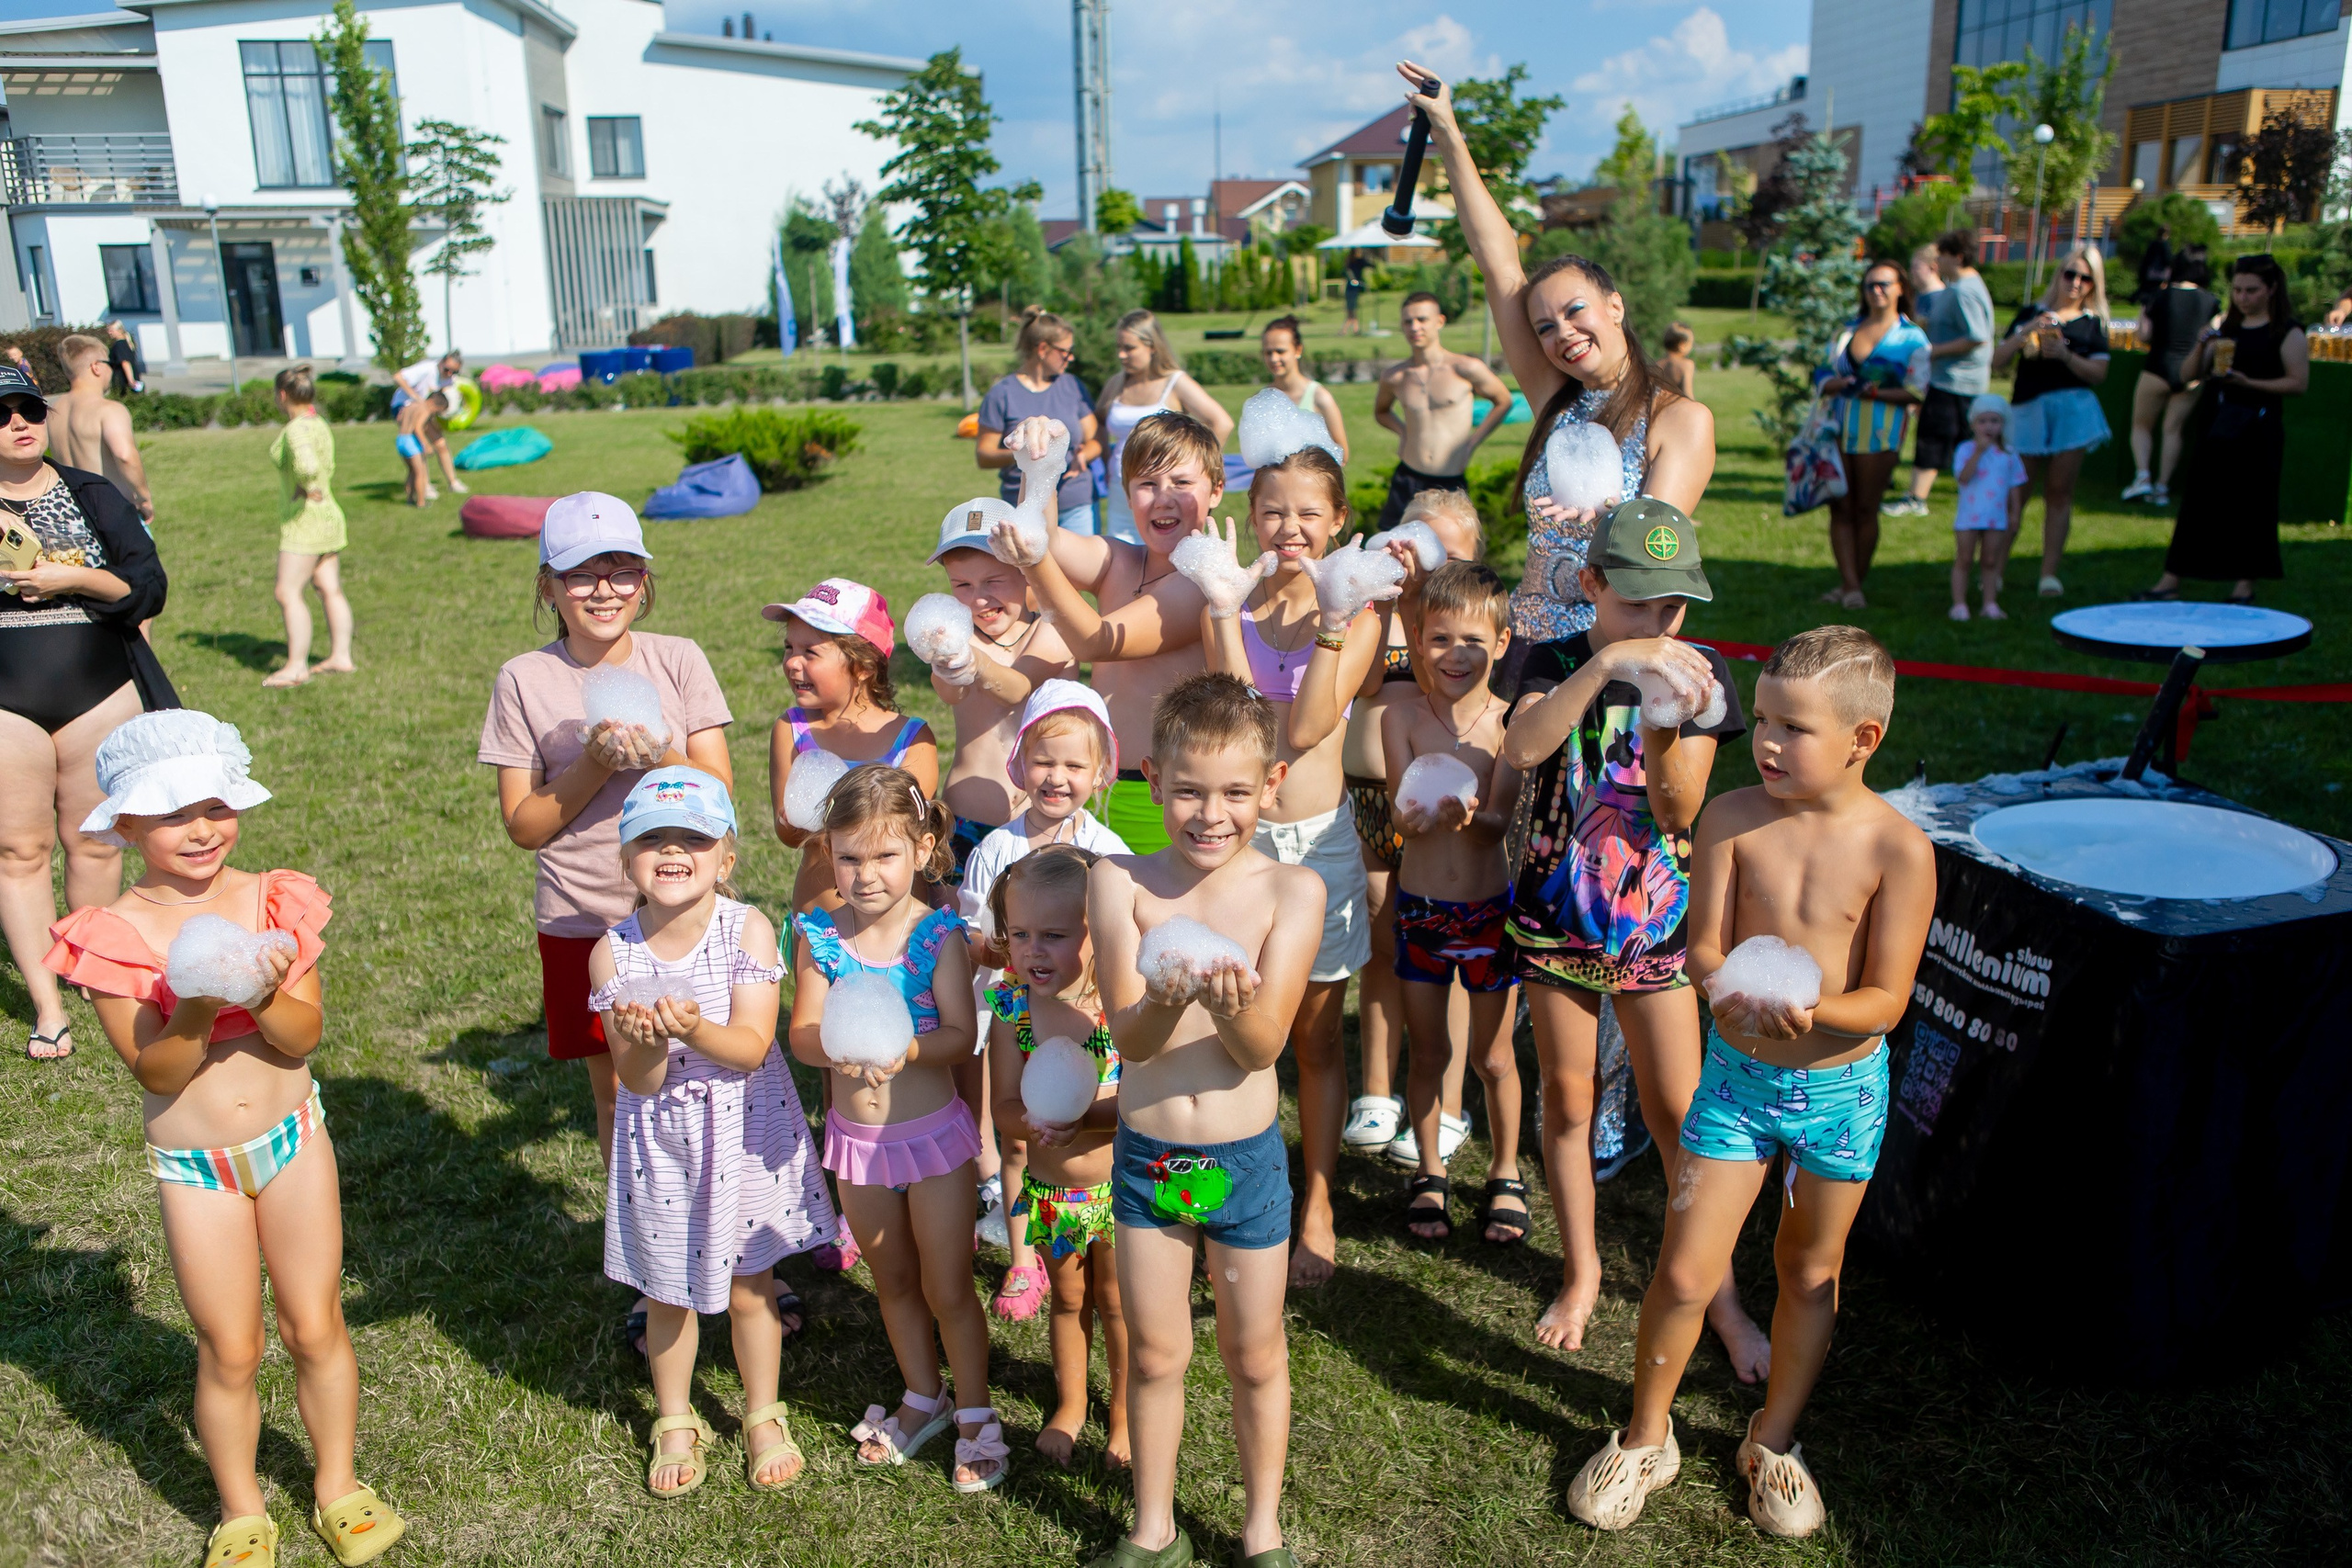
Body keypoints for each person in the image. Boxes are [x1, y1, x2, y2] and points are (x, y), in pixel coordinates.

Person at [1564, 626, 1933, 1540]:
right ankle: (1646, 1436)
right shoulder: (1729, 817)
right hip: (1735, 1084)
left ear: (1863, 739)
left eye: (1793, 728)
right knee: (1686, 1269)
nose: (1766, 742)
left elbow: (1887, 1001)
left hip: (1842, 1097)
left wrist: (1809, 1010)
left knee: (1808, 1272)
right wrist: (1728, 987)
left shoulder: (1899, 850)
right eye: (1762, 720)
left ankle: (1773, 1442)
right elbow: (1701, 949)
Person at [44, 709, 409, 1566]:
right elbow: (157, 1071)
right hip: (196, 1167)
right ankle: (242, 1508)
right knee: (231, 1347)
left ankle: (337, 1484)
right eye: (174, 813)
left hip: (293, 1141)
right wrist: (200, 1004)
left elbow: (304, 1035)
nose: (202, 828)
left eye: (216, 805)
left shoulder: (271, 897)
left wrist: (262, 988)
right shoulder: (113, 933)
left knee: (315, 1324)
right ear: (125, 825)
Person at [1498, 500, 1769, 1373]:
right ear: (1590, 583)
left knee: (1682, 1114)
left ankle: (1718, 1296)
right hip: (1558, 916)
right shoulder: (1552, 657)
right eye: (1635, 604)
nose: (1656, 624)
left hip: (1655, 927)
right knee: (1568, 1099)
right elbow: (1525, 747)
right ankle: (1581, 1271)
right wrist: (1608, 663)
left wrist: (1660, 709)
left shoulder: (1703, 672)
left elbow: (1678, 808)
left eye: (1672, 607)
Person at [1086, 672, 1323, 1568]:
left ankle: (1262, 1532)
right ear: (1152, 779)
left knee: (1253, 1353)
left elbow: (1262, 1047)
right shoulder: (1117, 881)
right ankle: (1155, 1529)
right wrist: (1165, 993)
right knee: (1155, 1353)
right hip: (1151, 1162)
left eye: (1234, 792)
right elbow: (1131, 1039)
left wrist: (1228, 1008)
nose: (1210, 814)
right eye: (1188, 790)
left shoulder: (1292, 890)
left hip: (1242, 1162)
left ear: (1272, 783)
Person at [1402, 62, 1715, 700]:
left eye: (1576, 312)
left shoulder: (1680, 419)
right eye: (1544, 327)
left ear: (1615, 306)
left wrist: (1608, 519)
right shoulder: (1557, 399)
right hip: (1527, 648)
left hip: (1615, 657)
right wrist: (1449, 131)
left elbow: (1657, 557)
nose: (1562, 333)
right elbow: (1498, 263)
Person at [589, 768, 832, 1497]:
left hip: (742, 1130)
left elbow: (753, 1047)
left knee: (752, 1281)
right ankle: (674, 1418)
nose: (672, 850)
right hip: (663, 1143)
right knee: (667, 1290)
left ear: (725, 857)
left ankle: (762, 1412)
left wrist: (693, 1027)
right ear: (626, 859)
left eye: (692, 838)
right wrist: (649, 1044)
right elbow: (636, 1080)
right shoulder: (613, 952)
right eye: (652, 838)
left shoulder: (745, 928)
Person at [478, 493, 734, 1172]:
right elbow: (523, 824)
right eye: (581, 575)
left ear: (643, 582)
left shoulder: (679, 659)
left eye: (622, 571)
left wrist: (658, 754)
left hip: (684, 910)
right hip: (582, 916)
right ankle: (639, 1226)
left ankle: (720, 1220)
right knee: (620, 1092)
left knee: (706, 1078)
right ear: (549, 587)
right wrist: (593, 762)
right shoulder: (523, 679)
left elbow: (719, 792)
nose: (603, 590)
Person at [1198, 431, 1394, 1289]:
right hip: (1233, 844)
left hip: (1316, 845)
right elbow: (1233, 719)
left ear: (1339, 520)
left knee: (1313, 1038)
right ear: (1251, 516)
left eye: (1309, 512)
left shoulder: (1359, 611)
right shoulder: (1232, 601)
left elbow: (1308, 726)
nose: (1290, 527)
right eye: (1273, 510)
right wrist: (1220, 608)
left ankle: (1316, 1199)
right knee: (1228, 1029)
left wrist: (1336, 619)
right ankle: (1226, 1188)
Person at [786, 767, 1007, 1494]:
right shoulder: (820, 936)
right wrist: (835, 1046)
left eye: (884, 855)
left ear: (922, 849)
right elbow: (802, 1033)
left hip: (933, 1141)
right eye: (849, 856)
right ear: (828, 853)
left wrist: (907, 1048)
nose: (866, 874)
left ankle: (975, 1411)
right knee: (894, 1279)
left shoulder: (937, 935)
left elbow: (960, 1034)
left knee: (949, 1285)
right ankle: (922, 1394)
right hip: (857, 1145)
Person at [0, 358, 175, 1061]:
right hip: (7, 700)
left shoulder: (91, 492)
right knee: (20, 851)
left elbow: (147, 585)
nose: (18, 423)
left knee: (97, 841)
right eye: (1, 416)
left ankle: (90, 966)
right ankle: (48, 1005)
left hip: (98, 689)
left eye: (28, 409)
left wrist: (71, 578)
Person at [959, 682, 1129, 1320]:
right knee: (1017, 1138)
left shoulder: (1110, 854)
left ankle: (1112, 1230)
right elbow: (972, 932)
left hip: (1087, 1013)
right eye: (1043, 761)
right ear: (1019, 761)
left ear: (1101, 770)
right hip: (1014, 1014)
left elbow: (1124, 932)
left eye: (1074, 764)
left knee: (1089, 1117)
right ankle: (1024, 1258)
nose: (1057, 777)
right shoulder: (996, 848)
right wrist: (1005, 950)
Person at [990, 412, 1221, 855]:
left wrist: (1033, 562)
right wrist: (1040, 466)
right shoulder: (1120, 561)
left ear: (1216, 491)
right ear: (1127, 493)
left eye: (1182, 483)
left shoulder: (1202, 583)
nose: (1163, 498)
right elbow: (1047, 537)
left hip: (1166, 799)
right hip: (1093, 790)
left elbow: (1096, 641)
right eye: (1147, 484)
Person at [1382, 560, 1527, 1246]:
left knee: (1493, 1057)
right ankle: (1430, 1169)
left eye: (1473, 640)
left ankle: (1505, 1170)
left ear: (1502, 641)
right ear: (1417, 639)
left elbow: (1498, 824)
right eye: (1440, 639)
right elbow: (1398, 816)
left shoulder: (1510, 723)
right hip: (1420, 911)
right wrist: (1415, 819)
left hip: (1486, 913)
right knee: (1428, 1051)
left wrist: (1469, 818)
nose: (1455, 654)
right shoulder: (1402, 718)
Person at [1340, 490, 1483, 1164]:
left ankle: (1447, 1102)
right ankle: (1377, 1090)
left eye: (1446, 553)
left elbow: (1438, 683)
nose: (1425, 561)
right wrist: (1392, 601)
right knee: (1380, 946)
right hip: (1370, 802)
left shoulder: (1458, 631)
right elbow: (1367, 683)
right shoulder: (1381, 612)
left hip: (1439, 807)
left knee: (1443, 953)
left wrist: (1423, 604)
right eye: (1418, 542)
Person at [984, 844, 1130, 1469]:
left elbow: (1140, 1106)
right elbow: (1003, 1106)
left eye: (1054, 934)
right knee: (1069, 1300)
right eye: (1020, 934)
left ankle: (1123, 1413)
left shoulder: (1120, 1008)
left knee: (1119, 1304)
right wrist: (1033, 1122)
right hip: (1054, 1196)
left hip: (1121, 1193)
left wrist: (1082, 1121)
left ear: (1096, 931)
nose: (1033, 950)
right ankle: (1071, 1403)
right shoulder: (1013, 1010)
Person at [764, 578, 939, 919]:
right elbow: (788, 834)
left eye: (810, 652)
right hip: (819, 922)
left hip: (896, 926)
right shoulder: (791, 729)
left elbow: (908, 828)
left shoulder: (913, 738)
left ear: (863, 666)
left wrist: (824, 812)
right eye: (789, 648)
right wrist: (793, 818)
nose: (792, 663)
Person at [2144, 253, 2310, 605]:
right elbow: (2188, 374)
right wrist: (2202, 344)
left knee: (2252, 506)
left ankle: (2243, 585)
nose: (2243, 298)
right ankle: (2171, 578)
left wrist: (2251, 383)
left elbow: (2298, 383)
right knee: (2198, 503)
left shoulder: (2287, 331)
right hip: (2218, 424)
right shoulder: (2227, 329)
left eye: (2251, 290)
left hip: (2259, 427)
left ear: (2271, 289)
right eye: (2237, 290)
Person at [923, 522, 1078, 878]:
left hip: (1042, 826)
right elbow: (950, 691)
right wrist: (944, 665)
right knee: (961, 912)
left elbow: (1016, 688)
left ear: (1026, 573)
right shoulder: (959, 639)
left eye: (993, 581)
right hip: (965, 819)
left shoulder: (1051, 630)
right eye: (962, 585)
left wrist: (976, 663)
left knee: (1041, 911)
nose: (979, 599)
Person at [1990, 243, 2111, 599]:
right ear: (2059, 274)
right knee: (2017, 493)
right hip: (2028, 409)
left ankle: (2048, 575)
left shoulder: (2092, 324)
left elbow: (2099, 374)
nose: (2076, 283)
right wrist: (2027, 329)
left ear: (2094, 284)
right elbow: (1997, 360)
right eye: (2070, 274)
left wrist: (2066, 355)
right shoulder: (2032, 313)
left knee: (2059, 492)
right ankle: (1994, 572)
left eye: (2085, 278)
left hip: (2073, 412)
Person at [1815, 261, 1929, 607]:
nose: (1876, 291)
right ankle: (1849, 584)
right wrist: (1837, 384)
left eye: (1884, 284)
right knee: (1840, 506)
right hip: (1837, 429)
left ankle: (1854, 584)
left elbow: (1918, 391)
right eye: (1870, 285)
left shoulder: (1912, 337)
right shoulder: (1847, 331)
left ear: (1900, 289)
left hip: (1881, 434)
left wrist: (1875, 393)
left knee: (1866, 508)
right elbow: (1822, 373)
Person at [1371, 291, 1513, 529]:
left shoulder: (1465, 369)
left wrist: (1472, 443)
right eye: (1408, 321)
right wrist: (1404, 432)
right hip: (1408, 476)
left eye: (1422, 319)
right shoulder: (1395, 376)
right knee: (1389, 544)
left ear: (1439, 321)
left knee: (1450, 549)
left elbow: (1503, 400)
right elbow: (1381, 412)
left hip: (1449, 481)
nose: (1414, 327)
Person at [1095, 309, 1233, 544]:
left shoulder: (1174, 382)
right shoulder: (1117, 384)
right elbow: (1098, 420)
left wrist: (1202, 465)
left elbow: (1222, 422)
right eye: (1118, 347)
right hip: (1123, 490)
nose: (1121, 355)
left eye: (1129, 348)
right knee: (1123, 552)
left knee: (1170, 550)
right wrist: (1107, 460)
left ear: (1152, 346)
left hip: (1166, 492)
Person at [1886, 230, 1995, 518]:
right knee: (1958, 440)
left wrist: (1933, 351)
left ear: (1957, 257)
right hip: (1953, 379)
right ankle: (1979, 493)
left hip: (1955, 380)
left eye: (1943, 256)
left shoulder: (1964, 290)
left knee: (1932, 436)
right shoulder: (1960, 286)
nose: (1938, 262)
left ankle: (1916, 499)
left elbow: (1977, 336)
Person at [263, 366, 355, 689]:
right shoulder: (319, 423)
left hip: (306, 521)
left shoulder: (296, 429)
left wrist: (306, 485)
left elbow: (306, 465)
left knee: (286, 591)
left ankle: (296, 667)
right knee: (329, 587)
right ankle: (341, 656)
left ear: (282, 395)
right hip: (328, 515)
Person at [978, 309, 1102, 535]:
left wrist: (1083, 455)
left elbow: (1095, 440)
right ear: (1043, 349)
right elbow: (984, 455)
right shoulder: (1002, 394)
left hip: (1075, 504)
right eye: (1066, 352)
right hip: (1024, 508)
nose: (1071, 358)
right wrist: (1024, 454)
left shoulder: (1072, 386)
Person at [2122, 245, 2219, 508]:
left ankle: (2143, 476)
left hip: (2157, 368)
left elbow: (2144, 335)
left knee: (2141, 426)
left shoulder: (2158, 296)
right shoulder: (2210, 301)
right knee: (2173, 430)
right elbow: (2213, 339)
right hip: (2192, 373)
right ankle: (2162, 487)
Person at [49, 333, 155, 527]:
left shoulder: (53, 412)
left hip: (76, 514)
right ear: (96, 367)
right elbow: (125, 455)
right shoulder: (109, 410)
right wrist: (144, 498)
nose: (111, 370)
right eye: (110, 364)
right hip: (113, 512)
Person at [1948, 394, 2027, 622]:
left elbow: (2015, 486)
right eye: (1982, 421)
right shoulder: (1965, 450)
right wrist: (1978, 453)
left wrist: (2015, 513)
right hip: (1969, 517)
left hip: (1996, 517)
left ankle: (1990, 603)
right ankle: (1959, 604)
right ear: (1973, 424)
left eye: (1994, 421)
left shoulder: (2009, 454)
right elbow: (1963, 477)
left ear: (2003, 423)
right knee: (1964, 559)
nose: (1989, 427)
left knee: (1991, 560)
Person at [1261, 314, 1350, 462]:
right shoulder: (1262, 399)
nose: (1274, 359)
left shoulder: (1319, 397)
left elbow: (1342, 456)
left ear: (1298, 350)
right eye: (1268, 352)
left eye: (1280, 351)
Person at [393, 351, 466, 507]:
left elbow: (441, 397)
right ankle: (424, 490)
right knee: (419, 454)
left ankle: (452, 482)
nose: (450, 374)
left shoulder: (449, 379)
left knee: (441, 444)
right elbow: (398, 377)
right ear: (441, 362)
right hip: (406, 408)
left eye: (454, 372)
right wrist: (416, 397)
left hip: (422, 414)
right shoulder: (426, 369)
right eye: (447, 370)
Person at [2135, 223, 2173, 308]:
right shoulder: (2165, 245)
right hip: (2161, 275)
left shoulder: (2152, 244)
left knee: (2149, 296)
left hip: (2150, 274)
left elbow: (2146, 260)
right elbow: (2168, 260)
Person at [1658, 322, 1698, 399]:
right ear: (1682, 345)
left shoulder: (1657, 364)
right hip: (1679, 405)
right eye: (1691, 343)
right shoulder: (1686, 365)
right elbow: (1688, 395)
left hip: (1661, 405)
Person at [106, 319, 143, 395]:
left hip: (123, 381)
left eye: (111, 330)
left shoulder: (119, 345)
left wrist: (130, 380)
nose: (109, 333)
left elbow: (125, 362)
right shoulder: (127, 343)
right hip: (133, 377)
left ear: (119, 330)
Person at [1342, 249, 1371, 335]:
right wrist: (1359, 283)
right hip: (1351, 290)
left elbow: (1369, 264)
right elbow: (1352, 280)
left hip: (1353, 290)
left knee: (1353, 312)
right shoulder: (1351, 264)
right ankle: (1346, 330)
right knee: (1351, 312)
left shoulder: (1358, 262)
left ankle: (1354, 329)